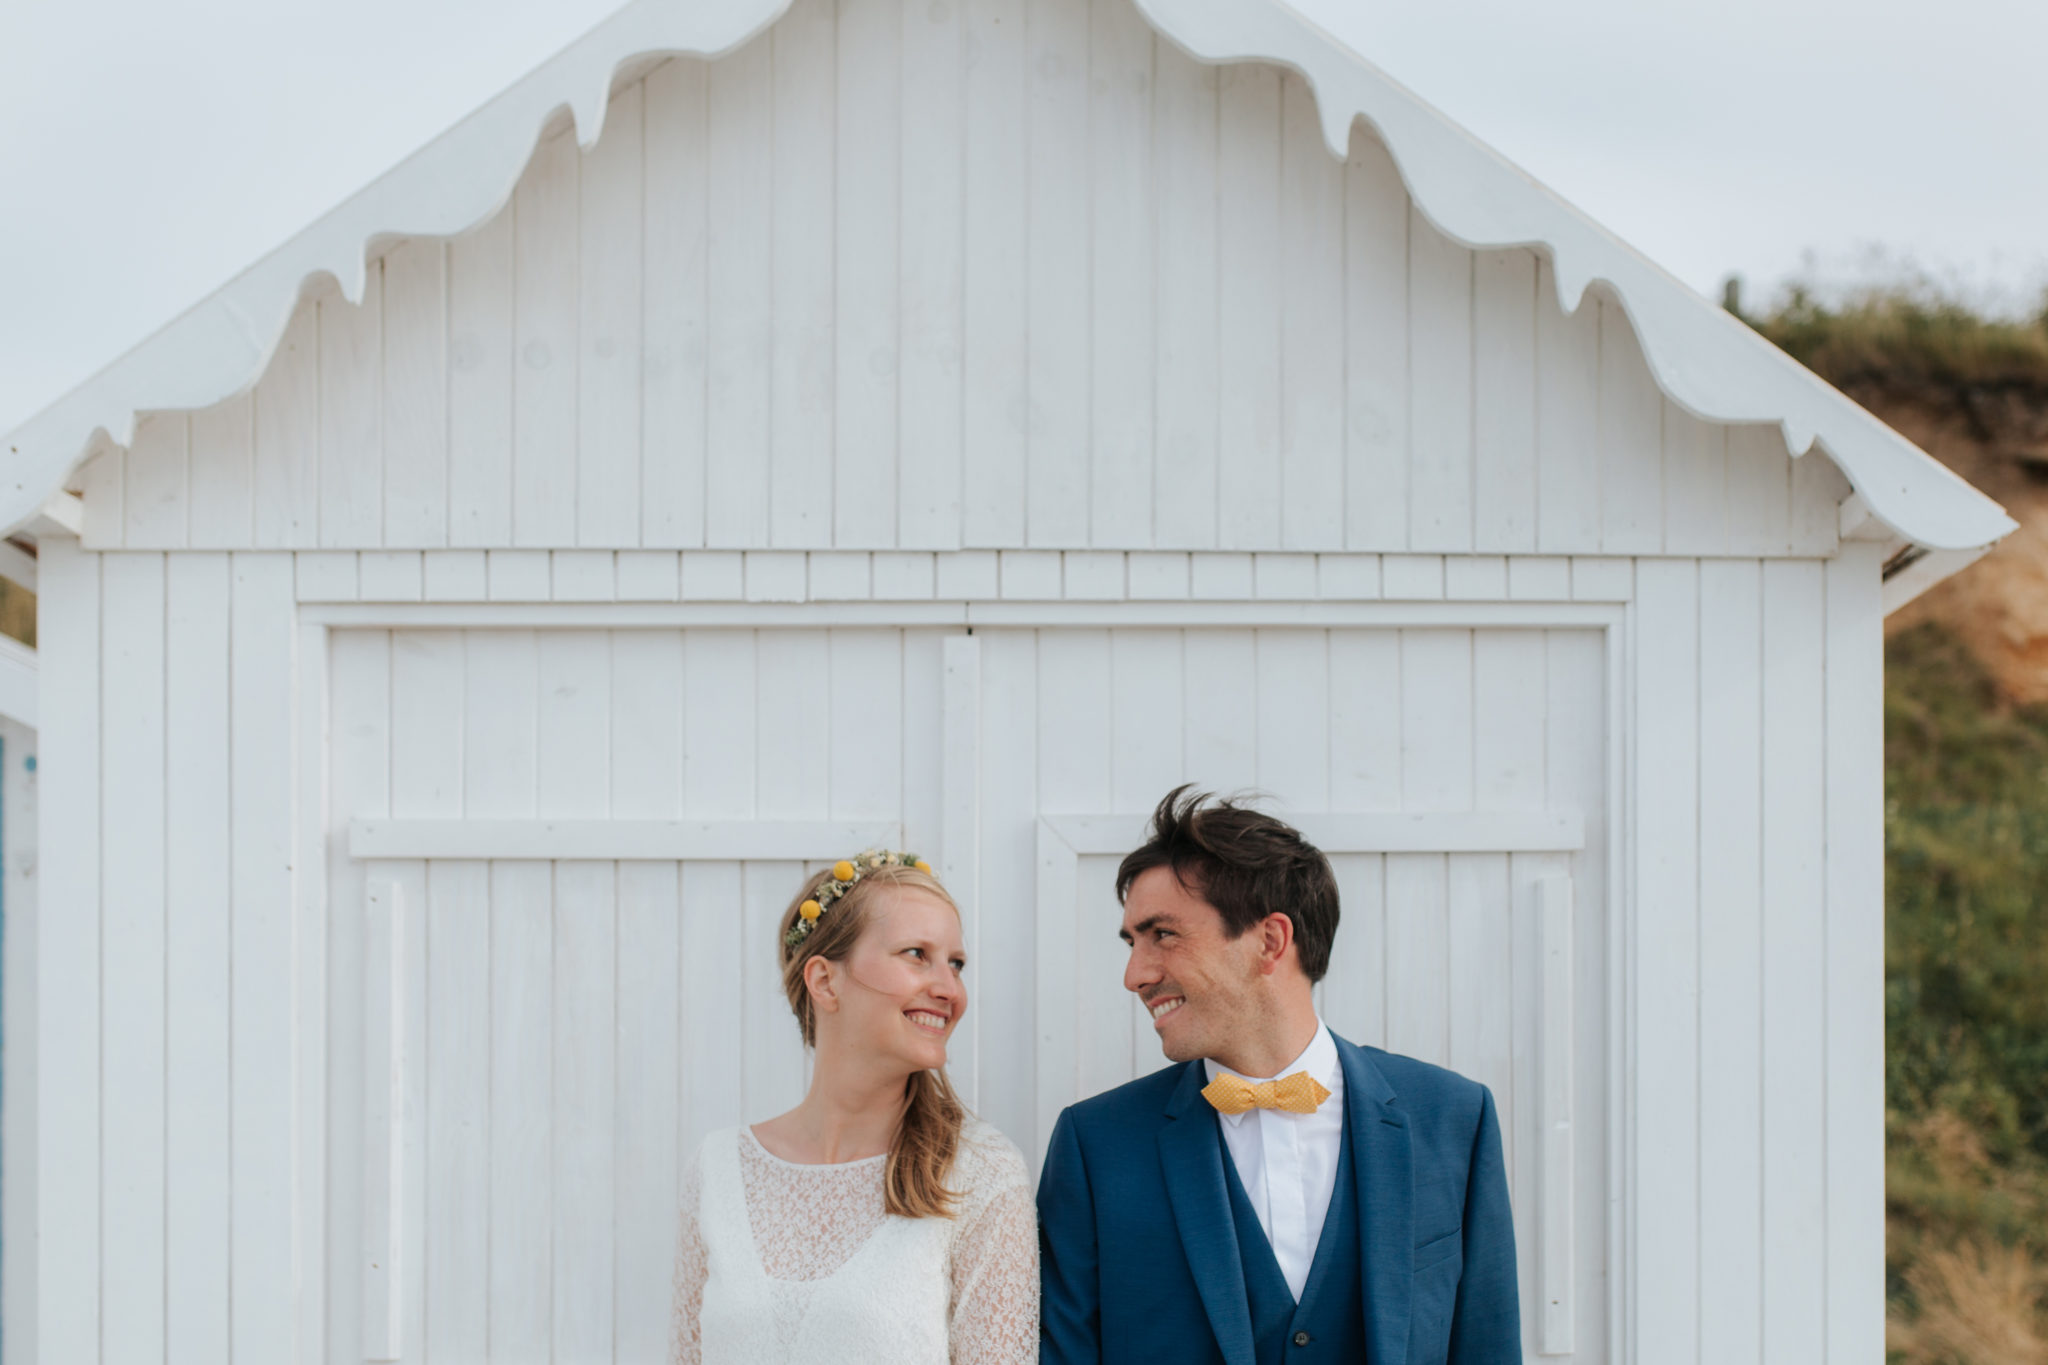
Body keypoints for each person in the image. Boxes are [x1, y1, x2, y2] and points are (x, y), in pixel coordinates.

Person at [1037, 788, 1520, 1364]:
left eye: (1162, 934)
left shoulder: (1451, 1117)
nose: (1135, 974)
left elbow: (1485, 1346)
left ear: (1270, 941)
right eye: (1132, 941)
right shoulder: (1097, 1144)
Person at [671, 851, 1038, 1364]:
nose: (949, 988)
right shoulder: (717, 1172)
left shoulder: (979, 1173)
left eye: (955, 964)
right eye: (916, 954)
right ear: (824, 981)